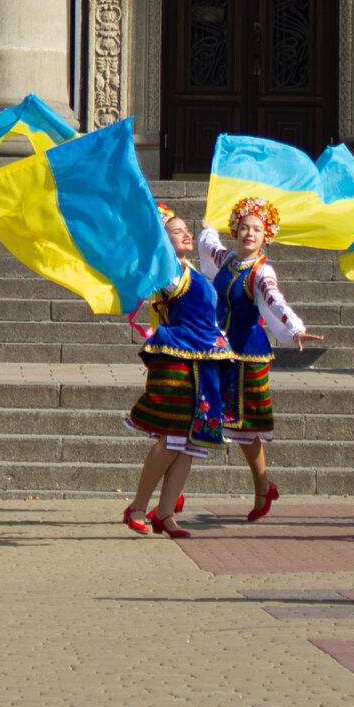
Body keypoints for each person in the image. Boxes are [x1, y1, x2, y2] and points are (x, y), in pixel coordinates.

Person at [197, 197, 318, 522]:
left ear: (267, 236)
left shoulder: (262, 272)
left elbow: (274, 300)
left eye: (257, 229)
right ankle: (174, 497)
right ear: (235, 230)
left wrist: (295, 328)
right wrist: (208, 229)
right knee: (200, 413)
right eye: (245, 227)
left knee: (242, 427)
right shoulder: (229, 260)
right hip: (218, 349)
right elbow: (211, 247)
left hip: (247, 355)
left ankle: (262, 486)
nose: (249, 233)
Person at [120, 205, 227, 539]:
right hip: (177, 361)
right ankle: (137, 506)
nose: (186, 234)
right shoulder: (167, 272)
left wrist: (211, 232)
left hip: (205, 364)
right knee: (172, 438)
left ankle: (165, 513)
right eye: (177, 230)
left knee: (191, 441)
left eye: (187, 230)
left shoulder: (194, 272)